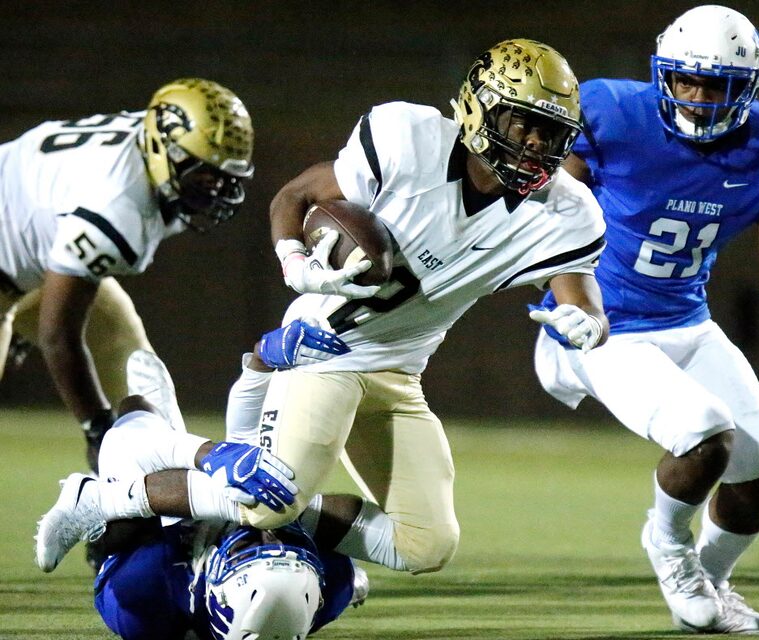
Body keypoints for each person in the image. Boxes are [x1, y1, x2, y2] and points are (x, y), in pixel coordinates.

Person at [240, 38, 608, 578]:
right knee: (264, 502)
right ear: (481, 108)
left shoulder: (565, 210)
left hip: (400, 375)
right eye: (520, 122)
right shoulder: (408, 142)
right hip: (324, 353)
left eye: (548, 131)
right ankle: (126, 486)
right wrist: (294, 262)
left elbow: (584, 297)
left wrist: (589, 326)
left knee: (426, 545)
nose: (534, 142)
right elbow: (293, 196)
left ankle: (283, 524)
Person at [532, 5, 759, 635]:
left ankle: (713, 587)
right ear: (661, 72)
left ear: (747, 88)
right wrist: (569, 303)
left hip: (686, 320)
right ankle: (668, 546)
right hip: (601, 322)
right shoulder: (610, 112)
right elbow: (550, 215)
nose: (696, 97)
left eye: (714, 85)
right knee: (703, 434)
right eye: (684, 80)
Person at [35, 335, 366, 640]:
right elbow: (335, 516)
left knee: (133, 418)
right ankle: (201, 453)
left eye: (247, 551)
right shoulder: (333, 582)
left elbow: (124, 529)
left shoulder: (144, 596)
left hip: (157, 537)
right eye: (287, 548)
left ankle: (99, 497)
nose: (269, 537)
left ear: (217, 590)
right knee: (276, 490)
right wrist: (259, 373)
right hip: (218, 544)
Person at [0, 77, 254, 471]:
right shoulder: (119, 205)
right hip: (17, 263)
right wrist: (95, 425)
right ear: (162, 148)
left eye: (224, 177)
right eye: (204, 173)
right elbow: (58, 336)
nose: (214, 188)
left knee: (133, 362)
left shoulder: (155, 140)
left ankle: (169, 497)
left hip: (31, 253)